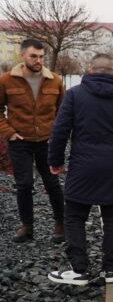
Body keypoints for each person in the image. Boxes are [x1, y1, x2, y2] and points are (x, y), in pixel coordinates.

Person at [47, 54, 113, 286]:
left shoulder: (74, 95)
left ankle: (79, 270)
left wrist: (55, 160)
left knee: (74, 216)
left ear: (90, 69)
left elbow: (60, 131)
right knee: (112, 217)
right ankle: (111, 270)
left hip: (83, 167)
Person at [0, 39, 66, 243]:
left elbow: (63, 111)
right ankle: (27, 227)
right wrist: (9, 132)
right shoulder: (6, 81)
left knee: (52, 183)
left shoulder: (54, 80)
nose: (38, 60)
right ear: (22, 56)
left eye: (41, 56)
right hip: (20, 141)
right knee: (24, 184)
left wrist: (57, 134)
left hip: (47, 141)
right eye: (33, 56)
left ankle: (60, 224)